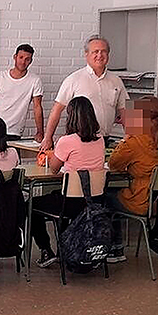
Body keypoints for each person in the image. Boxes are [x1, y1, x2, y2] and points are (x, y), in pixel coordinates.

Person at [105, 96, 158, 262]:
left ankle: (115, 248)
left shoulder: (135, 142)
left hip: (139, 201)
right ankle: (116, 247)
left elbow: (114, 164)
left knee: (103, 197)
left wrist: (125, 140)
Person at [30, 96, 105, 267]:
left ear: (71, 117)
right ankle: (67, 248)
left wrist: (53, 153)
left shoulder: (66, 141)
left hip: (71, 202)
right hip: (93, 202)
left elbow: (54, 169)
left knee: (32, 205)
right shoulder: (100, 140)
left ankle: (46, 250)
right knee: (57, 199)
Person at [40, 35, 127, 151]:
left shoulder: (116, 81)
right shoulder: (74, 79)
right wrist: (47, 137)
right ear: (86, 54)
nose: (100, 55)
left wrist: (132, 138)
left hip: (105, 141)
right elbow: (56, 110)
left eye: (104, 51)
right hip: (80, 142)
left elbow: (126, 112)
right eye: (95, 52)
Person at [0, 44, 45, 140]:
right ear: (15, 57)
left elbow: (37, 107)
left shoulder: (35, 80)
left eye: (27, 59)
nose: (23, 62)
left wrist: (40, 132)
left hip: (14, 131)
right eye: (21, 57)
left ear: (31, 61)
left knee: (12, 154)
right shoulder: (0, 76)